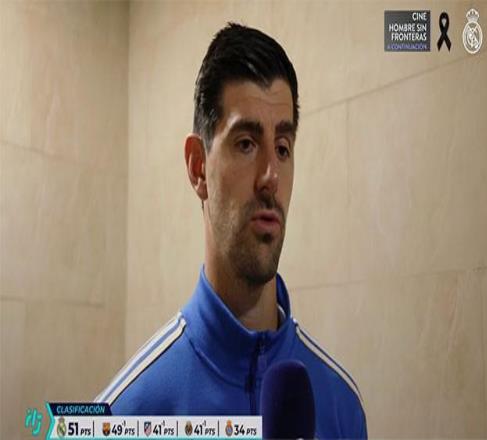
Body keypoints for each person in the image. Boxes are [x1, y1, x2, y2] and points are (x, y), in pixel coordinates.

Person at [96, 23, 367, 438]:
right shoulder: (121, 416)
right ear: (198, 166)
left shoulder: (341, 404)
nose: (270, 176)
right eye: (246, 144)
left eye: (283, 148)